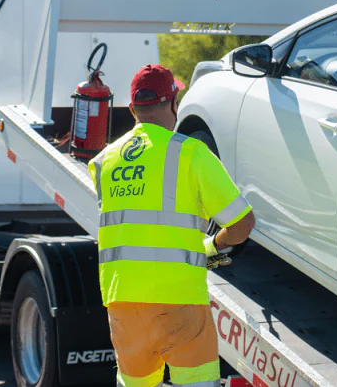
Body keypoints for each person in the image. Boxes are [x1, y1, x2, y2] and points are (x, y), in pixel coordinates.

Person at [89, 64, 255, 387]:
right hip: (179, 300)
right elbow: (242, 223)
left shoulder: (104, 162)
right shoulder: (191, 153)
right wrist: (214, 247)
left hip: (122, 302)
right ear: (173, 104)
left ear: (132, 107)